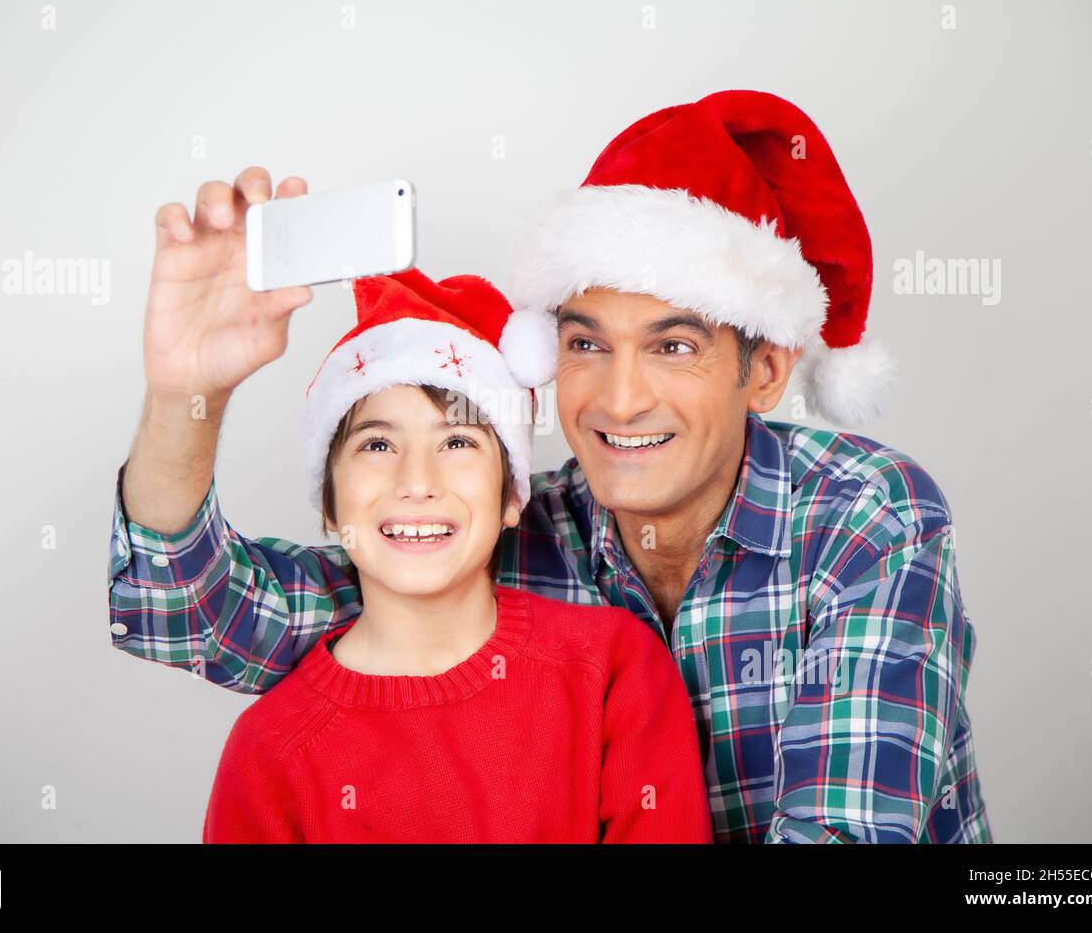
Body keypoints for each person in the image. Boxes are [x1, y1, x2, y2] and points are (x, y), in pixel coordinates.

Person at [110, 89, 991, 843]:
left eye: (674, 346)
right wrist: (188, 392)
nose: (617, 400)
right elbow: (191, 613)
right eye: (585, 344)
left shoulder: (869, 518)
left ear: (765, 372)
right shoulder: (507, 530)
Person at [197, 270, 712, 842]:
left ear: (511, 498)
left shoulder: (612, 669)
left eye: (457, 443)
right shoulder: (271, 747)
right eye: (377, 444)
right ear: (329, 505)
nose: (417, 482)